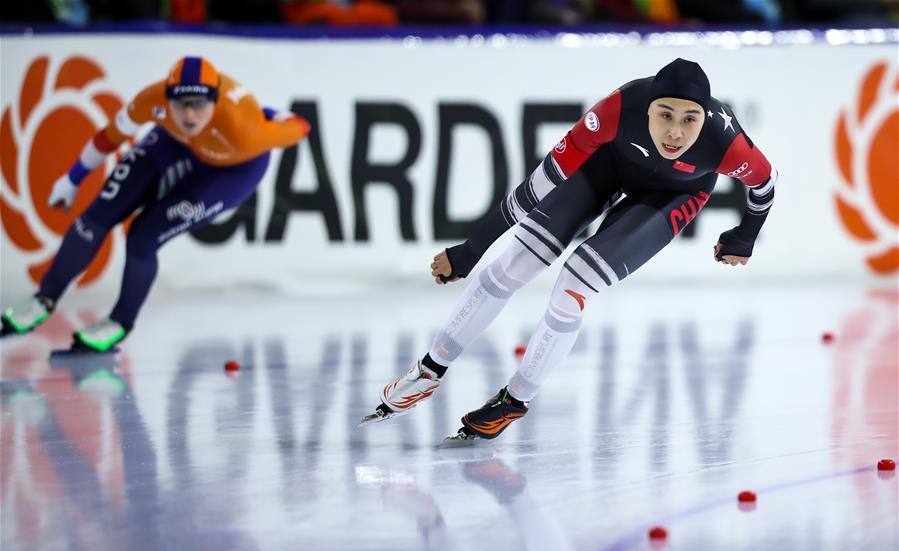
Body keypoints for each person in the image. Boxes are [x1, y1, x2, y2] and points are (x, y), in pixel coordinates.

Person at [363, 58, 777, 442]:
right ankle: (429, 370)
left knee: (572, 288)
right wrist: (472, 250)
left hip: (672, 195)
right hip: (606, 166)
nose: (675, 133)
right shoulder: (614, 111)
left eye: (690, 120)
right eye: (665, 115)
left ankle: (515, 400)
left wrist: (746, 236)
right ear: (646, 108)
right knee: (515, 263)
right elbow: (531, 193)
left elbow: (765, 183)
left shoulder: (725, 142)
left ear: (705, 119)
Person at [0, 56, 310, 351]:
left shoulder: (248, 132)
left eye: (199, 105)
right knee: (98, 213)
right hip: (176, 143)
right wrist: (72, 179)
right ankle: (43, 300)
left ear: (215, 102)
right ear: (167, 98)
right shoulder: (152, 101)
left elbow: (301, 126)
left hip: (232, 170)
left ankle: (120, 322)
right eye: (181, 105)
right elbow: (109, 137)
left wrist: (271, 114)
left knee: (142, 237)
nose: (189, 115)